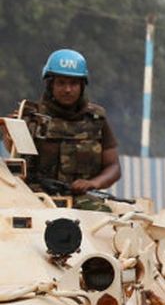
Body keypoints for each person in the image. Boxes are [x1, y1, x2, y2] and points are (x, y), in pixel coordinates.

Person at [14, 49, 122, 205]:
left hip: (83, 200)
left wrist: (92, 184)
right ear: (51, 85)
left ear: (82, 86)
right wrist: (10, 130)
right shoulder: (31, 117)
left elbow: (113, 167)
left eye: (73, 83)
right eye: (61, 83)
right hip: (36, 199)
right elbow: (16, 160)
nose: (67, 90)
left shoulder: (96, 118)